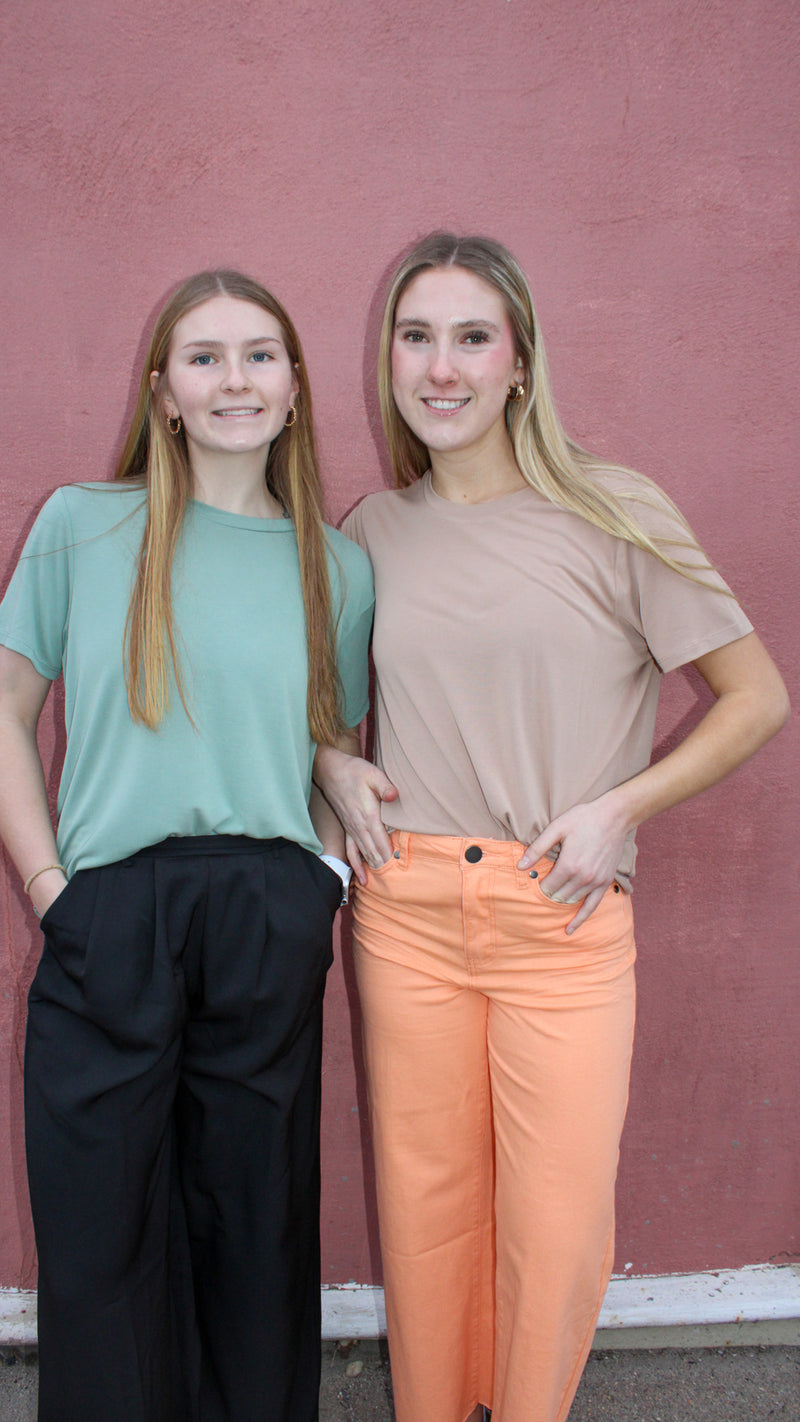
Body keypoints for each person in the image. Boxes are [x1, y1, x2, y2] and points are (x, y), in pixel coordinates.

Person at [312, 233, 789, 1422]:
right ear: (387, 359)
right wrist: (328, 763)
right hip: (407, 912)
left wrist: (619, 807)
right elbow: (320, 710)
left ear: (519, 361)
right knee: (424, 1214)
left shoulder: (613, 510)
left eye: (471, 337)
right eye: (415, 336)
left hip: (559, 913)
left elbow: (756, 697)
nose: (440, 367)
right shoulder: (371, 530)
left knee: (556, 1220)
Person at [0, 269, 374, 1422]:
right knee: (99, 1240)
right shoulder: (81, 526)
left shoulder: (335, 566)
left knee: (254, 1239)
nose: (233, 381)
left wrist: (322, 880)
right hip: (107, 911)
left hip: (267, 913)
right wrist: (52, 889)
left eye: (259, 355)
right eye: (203, 357)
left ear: (295, 387)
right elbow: (7, 711)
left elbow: (331, 742)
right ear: (163, 391)